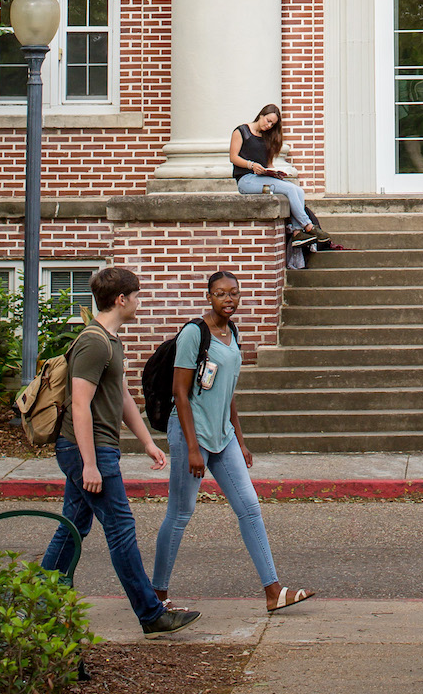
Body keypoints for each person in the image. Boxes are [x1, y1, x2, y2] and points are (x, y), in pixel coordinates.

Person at [40, 265, 199, 636]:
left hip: (95, 449)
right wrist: (89, 465)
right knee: (121, 529)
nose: (140, 302)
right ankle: (151, 614)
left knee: (73, 526)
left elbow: (122, 395)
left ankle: (37, 602)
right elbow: (80, 406)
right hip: (88, 450)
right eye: (137, 295)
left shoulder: (109, 340)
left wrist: (147, 442)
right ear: (121, 299)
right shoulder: (94, 342)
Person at [152, 270, 314, 613]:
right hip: (192, 434)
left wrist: (240, 440)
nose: (229, 299)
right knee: (180, 514)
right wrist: (192, 449)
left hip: (222, 436)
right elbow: (180, 393)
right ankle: (157, 595)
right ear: (209, 296)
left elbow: (228, 393)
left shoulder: (233, 332)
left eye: (234, 293)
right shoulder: (194, 333)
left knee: (250, 508)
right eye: (221, 293)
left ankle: (273, 591)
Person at [230, 104, 327, 248]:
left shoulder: (267, 138)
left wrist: (276, 174)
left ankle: (297, 233)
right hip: (246, 180)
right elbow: (233, 157)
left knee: (298, 190)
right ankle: (308, 226)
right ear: (261, 115)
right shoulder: (242, 131)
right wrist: (251, 165)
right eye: (268, 121)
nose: (269, 125)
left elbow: (269, 164)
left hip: (261, 178)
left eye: (272, 124)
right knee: (289, 189)